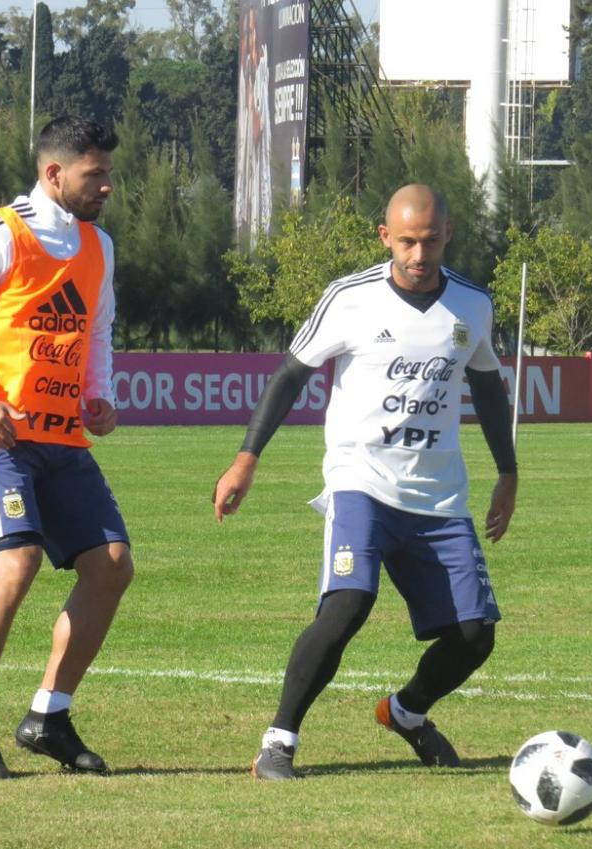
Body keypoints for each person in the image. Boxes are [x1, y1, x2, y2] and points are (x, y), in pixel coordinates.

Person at [212, 184, 518, 779]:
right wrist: (247, 458)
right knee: (348, 603)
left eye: (429, 241)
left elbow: (486, 385)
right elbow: (290, 375)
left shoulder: (473, 305)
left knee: (475, 635)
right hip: (362, 481)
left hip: (439, 494)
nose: (418, 254)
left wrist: (507, 472)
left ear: (447, 235)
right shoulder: (350, 298)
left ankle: (406, 712)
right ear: (386, 237)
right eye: (406, 241)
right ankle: (278, 742)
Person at [0, 115, 133, 778]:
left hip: (63, 438)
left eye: (106, 173)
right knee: (15, 565)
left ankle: (48, 715)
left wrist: (98, 393)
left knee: (112, 563)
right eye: (94, 174)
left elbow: (95, 328)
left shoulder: (98, 245)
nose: (106, 186)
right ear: (53, 174)